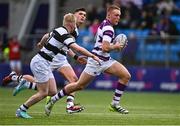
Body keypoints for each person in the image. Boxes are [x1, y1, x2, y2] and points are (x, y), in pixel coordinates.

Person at [45, 5, 131, 116]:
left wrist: (114, 45)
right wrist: (116, 46)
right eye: (116, 15)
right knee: (78, 85)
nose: (118, 17)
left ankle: (114, 104)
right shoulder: (108, 28)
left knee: (126, 76)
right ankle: (53, 99)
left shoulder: (105, 24)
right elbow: (105, 47)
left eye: (119, 15)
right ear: (109, 15)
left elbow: (103, 45)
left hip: (105, 60)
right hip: (96, 61)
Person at [14, 13, 100, 118]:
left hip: (44, 62)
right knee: (43, 93)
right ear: (72, 25)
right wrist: (92, 55)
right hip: (41, 62)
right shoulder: (65, 34)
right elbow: (77, 48)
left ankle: (27, 84)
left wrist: (41, 44)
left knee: (53, 91)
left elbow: (46, 36)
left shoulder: (58, 30)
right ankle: (21, 110)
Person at [2, 8, 88, 113]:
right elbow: (48, 35)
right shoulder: (66, 28)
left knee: (73, 81)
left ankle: (69, 106)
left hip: (61, 58)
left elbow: (66, 46)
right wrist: (41, 43)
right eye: (80, 14)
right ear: (74, 15)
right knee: (45, 87)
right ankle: (17, 79)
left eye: (84, 15)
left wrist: (75, 57)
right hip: (52, 58)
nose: (83, 16)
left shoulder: (76, 31)